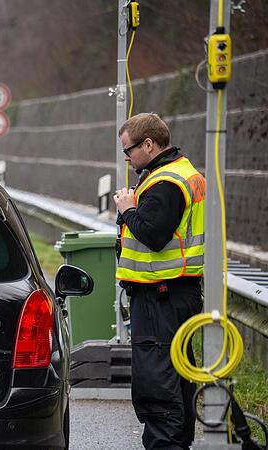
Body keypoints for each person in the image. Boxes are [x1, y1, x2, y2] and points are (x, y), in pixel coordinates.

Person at [113, 113, 205, 450]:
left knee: (157, 378)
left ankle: (165, 445)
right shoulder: (184, 172)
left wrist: (127, 209)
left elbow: (152, 235)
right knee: (179, 372)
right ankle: (178, 441)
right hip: (179, 292)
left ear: (149, 144)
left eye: (130, 150)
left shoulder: (165, 183)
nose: (127, 157)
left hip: (159, 295)